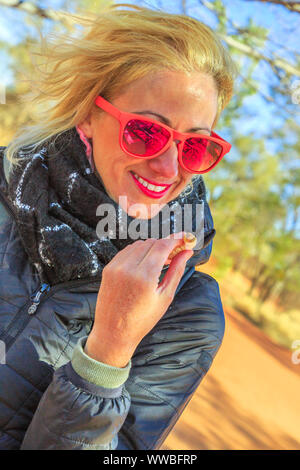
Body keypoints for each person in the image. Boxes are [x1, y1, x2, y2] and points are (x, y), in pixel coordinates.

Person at [0, 4, 236, 450]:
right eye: (146, 132)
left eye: (195, 146)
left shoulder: (187, 311)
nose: (168, 167)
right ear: (89, 115)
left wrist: (107, 354)